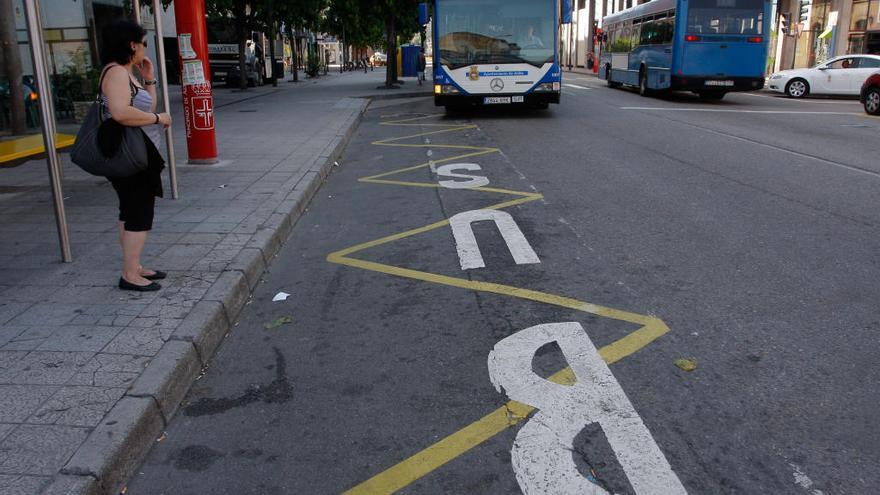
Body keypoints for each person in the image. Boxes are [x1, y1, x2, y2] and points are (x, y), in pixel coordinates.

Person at [99, 20, 171, 291]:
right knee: (139, 211)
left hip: (137, 153)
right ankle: (130, 274)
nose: (144, 48)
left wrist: (149, 78)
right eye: (143, 43)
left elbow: (143, 104)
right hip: (130, 156)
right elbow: (120, 112)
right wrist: (158, 118)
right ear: (132, 45)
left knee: (130, 209)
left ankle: (134, 264)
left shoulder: (125, 72)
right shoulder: (116, 73)